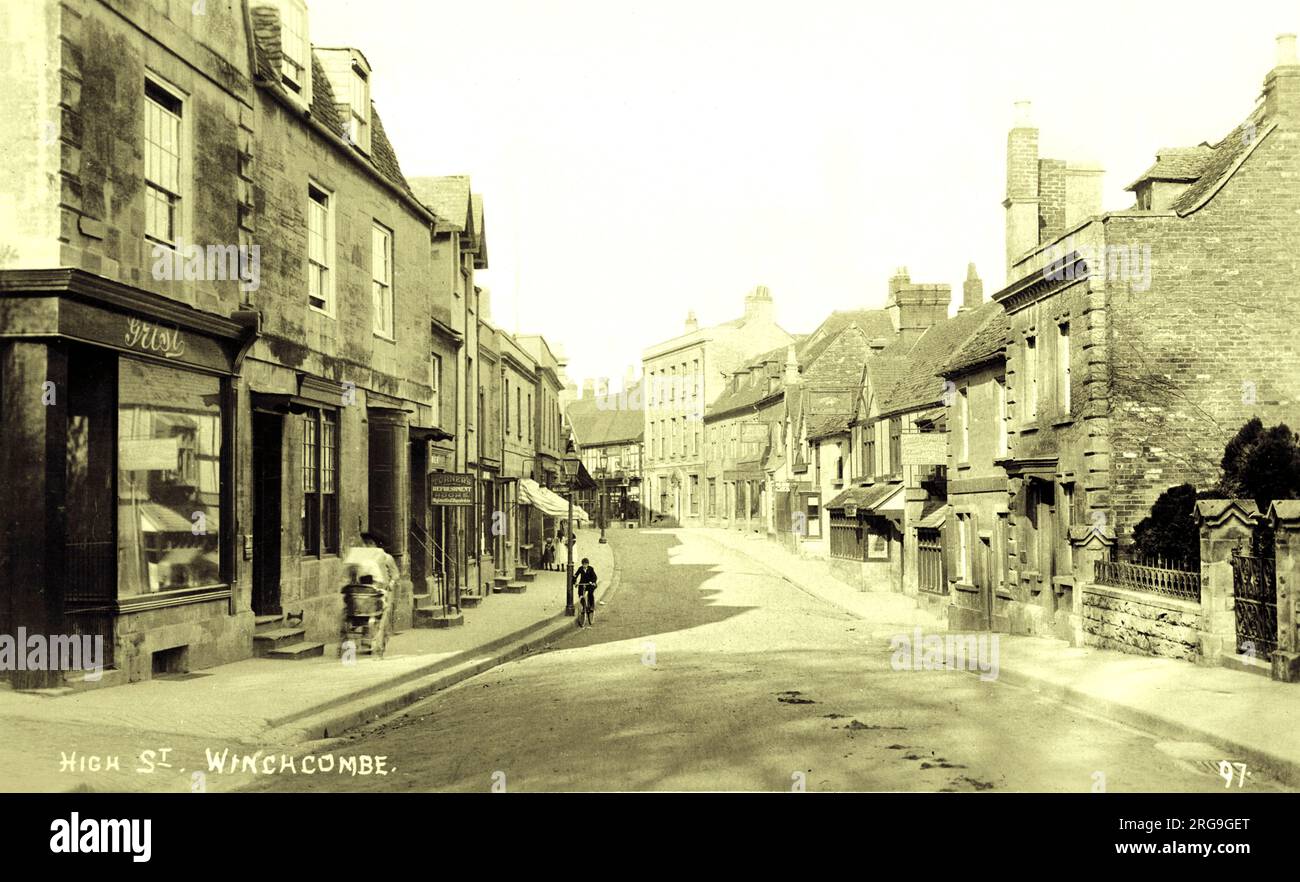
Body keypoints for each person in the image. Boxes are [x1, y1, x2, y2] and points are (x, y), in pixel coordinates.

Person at [575, 557, 598, 623]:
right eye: (583, 564)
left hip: (590, 584)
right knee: (580, 594)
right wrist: (575, 582)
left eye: (586, 564)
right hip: (582, 583)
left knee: (590, 593)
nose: (584, 565)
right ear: (582, 564)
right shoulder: (580, 568)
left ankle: (591, 606)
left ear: (588, 564)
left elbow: (594, 577)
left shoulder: (591, 569)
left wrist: (592, 581)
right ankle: (583, 606)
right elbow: (576, 575)